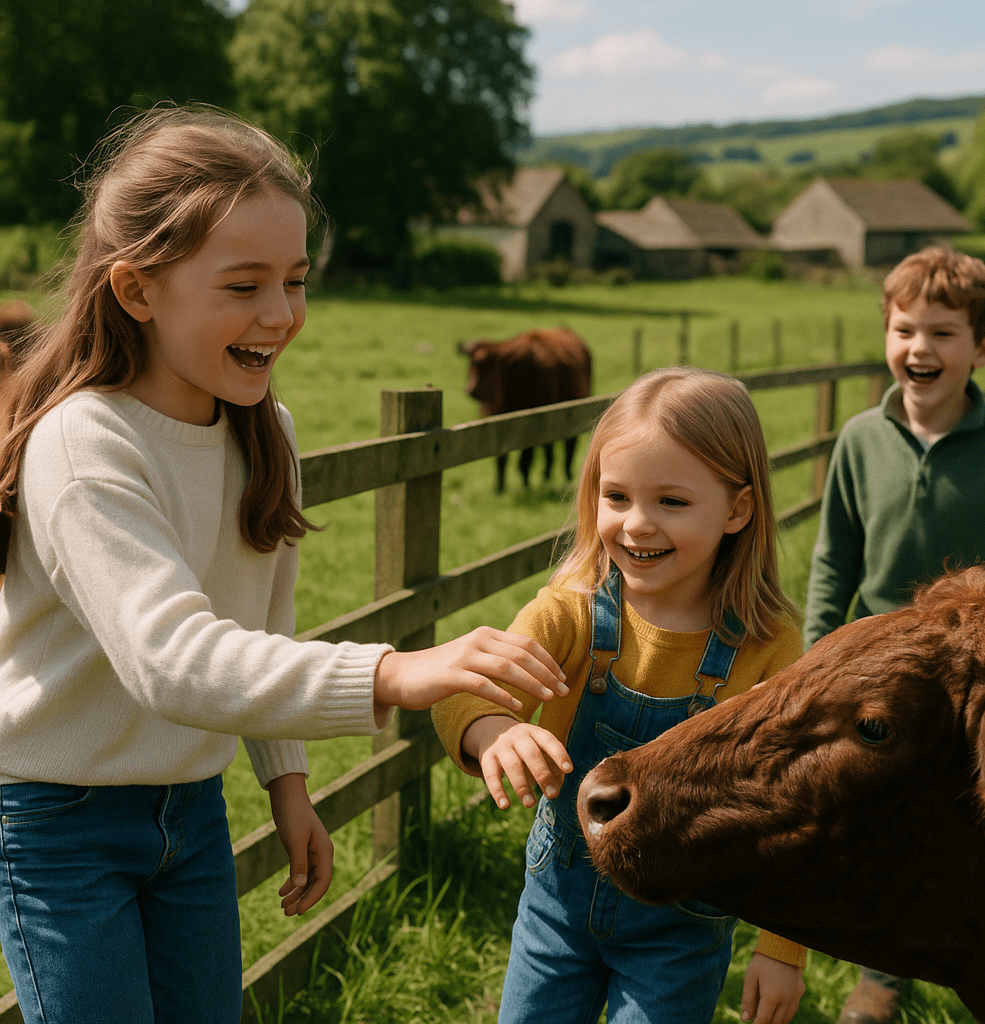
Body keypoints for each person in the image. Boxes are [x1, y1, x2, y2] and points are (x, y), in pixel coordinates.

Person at [0, 103, 568, 1024]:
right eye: (244, 285)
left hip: (191, 809)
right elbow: (171, 659)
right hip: (58, 826)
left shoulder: (266, 431)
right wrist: (396, 672)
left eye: (297, 281)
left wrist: (286, 780)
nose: (281, 314)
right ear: (137, 290)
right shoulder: (85, 443)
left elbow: (260, 622)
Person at [433, 367, 808, 1024]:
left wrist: (783, 950)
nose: (637, 525)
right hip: (556, 910)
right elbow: (461, 692)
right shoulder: (572, 612)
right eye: (617, 496)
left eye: (671, 502)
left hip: (681, 933)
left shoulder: (767, 647)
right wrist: (492, 730)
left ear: (738, 509)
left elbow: (795, 802)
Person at [803, 246, 985, 1024]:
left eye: (942, 333)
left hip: (971, 677)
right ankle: (882, 977)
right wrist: (814, 653)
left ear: (982, 349)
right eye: (904, 330)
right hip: (875, 673)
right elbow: (834, 559)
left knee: (972, 821)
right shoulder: (859, 439)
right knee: (882, 820)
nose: (919, 348)